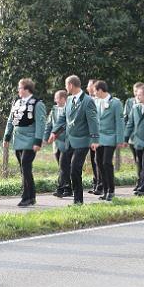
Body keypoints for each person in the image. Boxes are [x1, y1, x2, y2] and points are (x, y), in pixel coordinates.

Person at [48, 75, 99, 205]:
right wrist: (54, 132)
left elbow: (93, 121)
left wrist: (94, 139)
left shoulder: (88, 101)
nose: (66, 87)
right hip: (69, 140)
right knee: (63, 164)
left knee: (75, 169)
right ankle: (65, 188)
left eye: (66, 85)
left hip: (82, 141)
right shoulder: (69, 100)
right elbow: (62, 118)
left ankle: (78, 201)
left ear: (70, 85)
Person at [4, 78, 47, 207]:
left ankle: (27, 197)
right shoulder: (17, 102)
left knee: (25, 166)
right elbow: (10, 120)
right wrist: (7, 137)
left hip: (30, 139)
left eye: (20, 88)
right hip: (18, 139)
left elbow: (41, 124)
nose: (18, 90)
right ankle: (31, 196)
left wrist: (38, 141)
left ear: (27, 89)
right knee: (23, 169)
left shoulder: (37, 104)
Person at [94, 80, 124, 201]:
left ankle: (111, 190)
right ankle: (105, 190)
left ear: (100, 90)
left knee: (107, 162)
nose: (94, 93)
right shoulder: (96, 102)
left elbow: (120, 122)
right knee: (98, 162)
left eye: (95, 91)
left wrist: (120, 140)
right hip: (99, 138)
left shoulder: (115, 103)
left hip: (110, 137)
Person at [45, 90, 72, 198]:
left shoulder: (70, 109)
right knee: (63, 166)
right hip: (56, 143)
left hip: (67, 141)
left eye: (57, 98)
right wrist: (45, 138)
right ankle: (68, 188)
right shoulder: (53, 110)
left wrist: (56, 133)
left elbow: (68, 125)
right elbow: (49, 124)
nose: (55, 100)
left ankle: (60, 189)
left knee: (63, 165)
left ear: (63, 99)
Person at [123, 82, 144, 191]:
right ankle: (140, 181)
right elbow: (126, 118)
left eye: (138, 92)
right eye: (135, 91)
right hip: (132, 137)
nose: (136, 94)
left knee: (142, 160)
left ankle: (142, 182)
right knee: (137, 160)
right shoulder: (129, 102)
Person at [86, 79, 103, 195]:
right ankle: (96, 183)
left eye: (90, 86)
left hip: (99, 135)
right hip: (89, 135)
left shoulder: (100, 101)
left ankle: (101, 185)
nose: (88, 88)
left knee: (99, 160)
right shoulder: (87, 100)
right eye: (88, 86)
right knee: (93, 160)